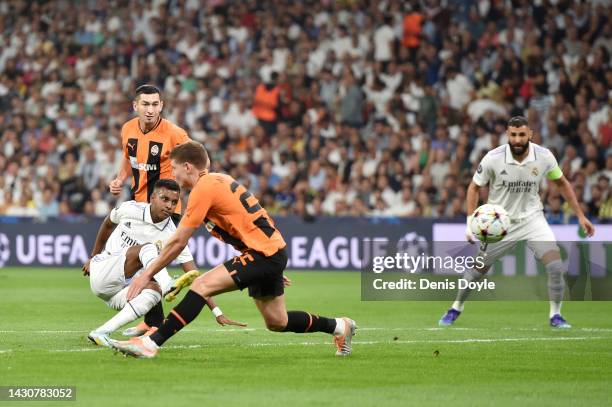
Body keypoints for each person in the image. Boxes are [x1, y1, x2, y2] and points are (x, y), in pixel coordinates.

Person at [109, 141, 356, 358]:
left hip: (264, 253)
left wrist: (145, 274)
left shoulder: (203, 189)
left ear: (188, 167)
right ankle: (339, 326)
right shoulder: (221, 180)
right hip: (269, 252)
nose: (172, 174)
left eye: (174, 168)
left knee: (201, 286)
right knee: (277, 322)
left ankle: (151, 343)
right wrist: (272, 266)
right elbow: (249, 223)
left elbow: (178, 241)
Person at [439, 116, 595, 328]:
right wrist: (469, 222)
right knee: (477, 270)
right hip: (500, 224)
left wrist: (580, 215)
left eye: (522, 134)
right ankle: (456, 307)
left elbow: (562, 183)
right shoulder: (493, 158)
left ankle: (555, 316)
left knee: (556, 266)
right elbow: (474, 187)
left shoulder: (544, 156)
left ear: (530, 134)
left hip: (533, 219)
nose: (518, 139)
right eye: (513, 135)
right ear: (507, 135)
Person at [84, 179, 244, 346]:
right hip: (103, 272)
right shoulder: (130, 208)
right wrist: (92, 257)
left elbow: (196, 277)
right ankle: (169, 284)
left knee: (154, 291)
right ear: (153, 197)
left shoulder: (173, 236)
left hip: (121, 292)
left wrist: (217, 311)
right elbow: (107, 224)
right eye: (165, 199)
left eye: (174, 202)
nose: (169, 205)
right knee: (148, 250)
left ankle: (101, 332)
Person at [107, 84, 192, 333]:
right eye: (145, 104)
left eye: (155, 104)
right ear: (135, 106)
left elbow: (196, 159)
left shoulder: (175, 134)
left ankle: (160, 320)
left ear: (162, 106)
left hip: (165, 210)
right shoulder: (128, 129)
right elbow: (128, 158)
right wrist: (119, 179)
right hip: (139, 206)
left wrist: (198, 188)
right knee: (142, 264)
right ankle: (153, 321)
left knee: (150, 263)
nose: (150, 109)